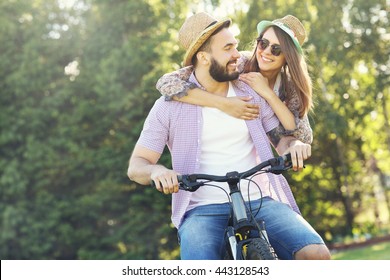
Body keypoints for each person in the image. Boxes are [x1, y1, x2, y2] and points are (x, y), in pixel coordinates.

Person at [127, 12, 330, 260]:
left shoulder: (251, 90)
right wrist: (157, 171)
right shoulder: (168, 107)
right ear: (203, 57)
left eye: (235, 46)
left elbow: (282, 139)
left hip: (259, 199)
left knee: (316, 254)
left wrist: (295, 145)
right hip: (201, 208)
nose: (239, 54)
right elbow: (137, 166)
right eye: (228, 48)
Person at [156, 15, 313, 144]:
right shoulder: (240, 62)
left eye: (276, 49)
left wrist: (268, 94)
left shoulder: (288, 85)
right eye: (263, 43)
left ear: (289, 57)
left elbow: (304, 136)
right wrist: (224, 104)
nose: (266, 52)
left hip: (259, 151)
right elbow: (166, 83)